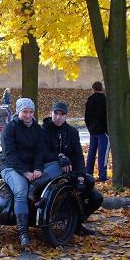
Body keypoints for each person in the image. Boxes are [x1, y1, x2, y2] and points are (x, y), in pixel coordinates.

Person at [0, 97, 60, 247]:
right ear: (18, 112)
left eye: (31, 112)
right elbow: (10, 154)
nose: (28, 115)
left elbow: (40, 151)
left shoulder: (37, 129)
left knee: (57, 166)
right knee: (20, 190)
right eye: (25, 112)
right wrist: (26, 172)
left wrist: (38, 169)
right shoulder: (10, 128)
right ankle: (23, 233)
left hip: (32, 168)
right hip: (11, 167)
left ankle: (35, 186)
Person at [41, 101, 103, 236]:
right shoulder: (43, 130)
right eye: (55, 113)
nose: (58, 117)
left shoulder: (72, 132)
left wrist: (81, 175)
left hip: (71, 172)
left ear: (66, 116)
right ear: (51, 113)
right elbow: (42, 154)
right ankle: (59, 221)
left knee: (96, 197)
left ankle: (77, 222)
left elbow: (78, 155)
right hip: (50, 171)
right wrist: (59, 156)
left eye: (61, 114)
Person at [84, 81, 109, 182]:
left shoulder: (90, 100)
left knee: (91, 153)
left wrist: (90, 128)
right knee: (103, 154)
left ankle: (88, 173)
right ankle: (102, 176)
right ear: (101, 88)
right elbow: (107, 116)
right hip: (103, 131)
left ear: (93, 89)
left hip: (93, 131)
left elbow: (86, 117)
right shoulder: (105, 100)